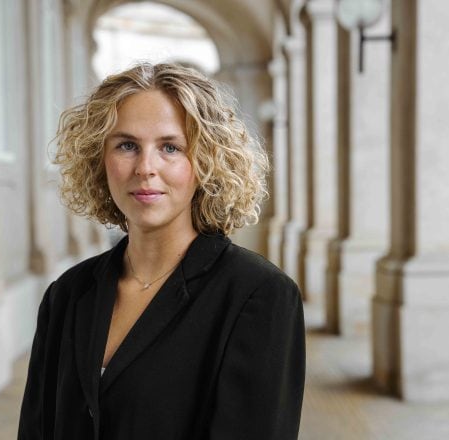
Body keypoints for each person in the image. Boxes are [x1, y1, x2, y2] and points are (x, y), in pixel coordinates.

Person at [18, 62, 305, 440]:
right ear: (99, 159)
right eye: (127, 145)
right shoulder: (67, 294)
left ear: (205, 161)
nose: (145, 168)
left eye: (170, 147)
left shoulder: (259, 296)